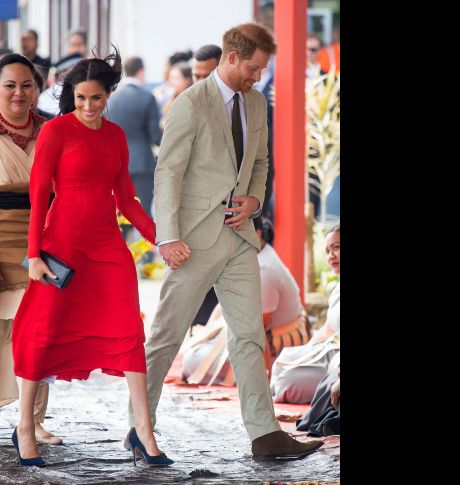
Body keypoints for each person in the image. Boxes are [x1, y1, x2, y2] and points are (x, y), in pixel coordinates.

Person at [131, 22, 323, 459]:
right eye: (254, 68)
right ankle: (139, 426)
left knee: (249, 336)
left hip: (239, 239)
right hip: (192, 241)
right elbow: (168, 172)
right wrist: (167, 237)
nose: (259, 77)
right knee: (165, 337)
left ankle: (264, 434)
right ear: (232, 57)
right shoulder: (190, 104)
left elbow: (261, 160)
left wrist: (255, 201)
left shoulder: (255, 103)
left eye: (263, 70)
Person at [11, 49, 182, 467]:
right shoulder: (56, 132)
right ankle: (24, 427)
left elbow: (126, 198)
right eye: (82, 98)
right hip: (62, 247)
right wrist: (34, 255)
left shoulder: (116, 135)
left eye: (97, 99)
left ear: (109, 96)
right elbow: (39, 196)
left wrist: (161, 238)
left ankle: (144, 432)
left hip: (107, 248)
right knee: (42, 331)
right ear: (73, 95)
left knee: (128, 333)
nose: (88, 107)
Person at [0, 54, 61, 446]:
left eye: (26, 85)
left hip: (41, 244)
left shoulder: (52, 131)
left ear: (37, 89)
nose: (18, 92)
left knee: (40, 335)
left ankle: (33, 420)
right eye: (9, 85)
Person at [181, 216, 309, 384]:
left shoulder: (264, 269)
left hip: (273, 349)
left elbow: (257, 329)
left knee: (192, 360)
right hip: (253, 335)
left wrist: (261, 377)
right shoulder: (260, 256)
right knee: (195, 351)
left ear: (256, 234)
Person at [270, 225, 340, 404]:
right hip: (328, 352)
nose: (331, 256)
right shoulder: (336, 288)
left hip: (336, 362)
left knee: (287, 379)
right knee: (283, 360)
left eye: (336, 248)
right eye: (327, 250)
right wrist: (305, 352)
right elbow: (327, 329)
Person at [106, 56, 162, 218]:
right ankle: (142, 244)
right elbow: (155, 136)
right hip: (141, 163)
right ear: (141, 72)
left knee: (118, 212)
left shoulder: (110, 98)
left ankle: (122, 243)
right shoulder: (147, 97)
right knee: (142, 212)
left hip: (115, 162)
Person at [159, 62, 192, 130]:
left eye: (176, 78)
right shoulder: (169, 99)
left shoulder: (192, 100)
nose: (171, 82)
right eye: (171, 78)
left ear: (187, 80)